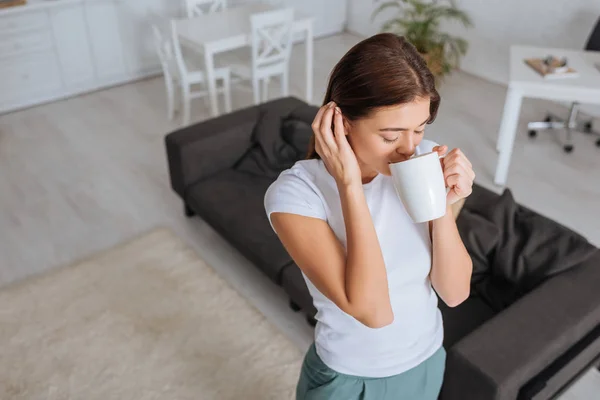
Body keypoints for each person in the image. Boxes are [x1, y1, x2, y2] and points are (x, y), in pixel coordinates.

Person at [264, 33, 475, 400]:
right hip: (349, 380)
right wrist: (349, 186)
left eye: (420, 128)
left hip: (426, 360)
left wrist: (440, 202)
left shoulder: (421, 161)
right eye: (391, 135)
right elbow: (374, 312)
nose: (409, 148)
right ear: (342, 122)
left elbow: (454, 293)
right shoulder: (296, 196)